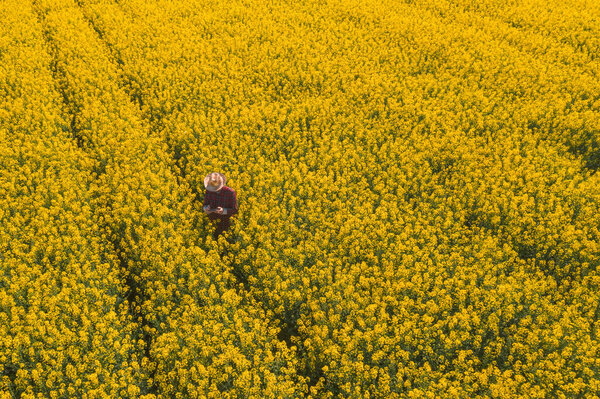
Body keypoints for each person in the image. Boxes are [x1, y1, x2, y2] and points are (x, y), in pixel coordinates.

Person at [203, 172, 238, 240]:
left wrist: (223, 211)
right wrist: (206, 208)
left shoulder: (230, 192)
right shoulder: (208, 191)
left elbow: (234, 210)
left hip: (226, 223)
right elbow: (205, 204)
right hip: (212, 222)